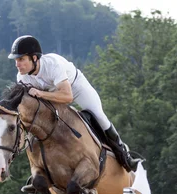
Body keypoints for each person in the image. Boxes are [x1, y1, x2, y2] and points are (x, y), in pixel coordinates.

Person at [8, 35, 136, 175]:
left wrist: (41, 94)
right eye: (16, 60)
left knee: (100, 117)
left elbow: (67, 96)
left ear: (34, 58)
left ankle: (124, 156)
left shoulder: (52, 64)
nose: (17, 64)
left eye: (21, 59)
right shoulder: (22, 77)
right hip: (52, 96)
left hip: (75, 88)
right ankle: (38, 169)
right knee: (40, 124)